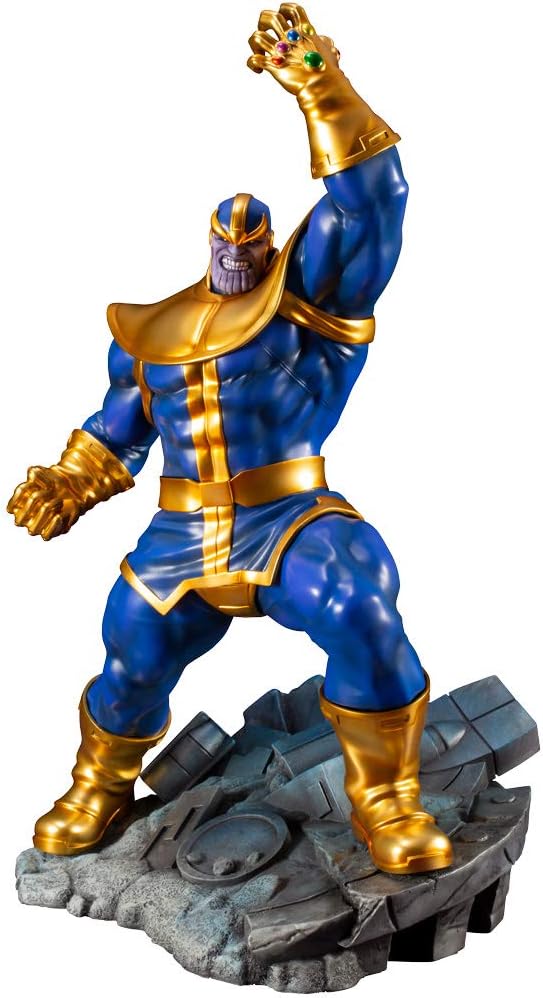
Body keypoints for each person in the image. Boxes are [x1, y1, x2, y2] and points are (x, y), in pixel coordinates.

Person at [7, 4, 452, 876]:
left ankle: (387, 800)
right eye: (228, 242)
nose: (241, 253)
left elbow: (373, 201)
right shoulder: (155, 336)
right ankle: (101, 784)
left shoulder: (307, 303)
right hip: (180, 533)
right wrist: (66, 481)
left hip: (289, 516)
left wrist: (321, 86)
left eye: (254, 242)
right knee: (129, 655)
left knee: (359, 605)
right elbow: (117, 430)